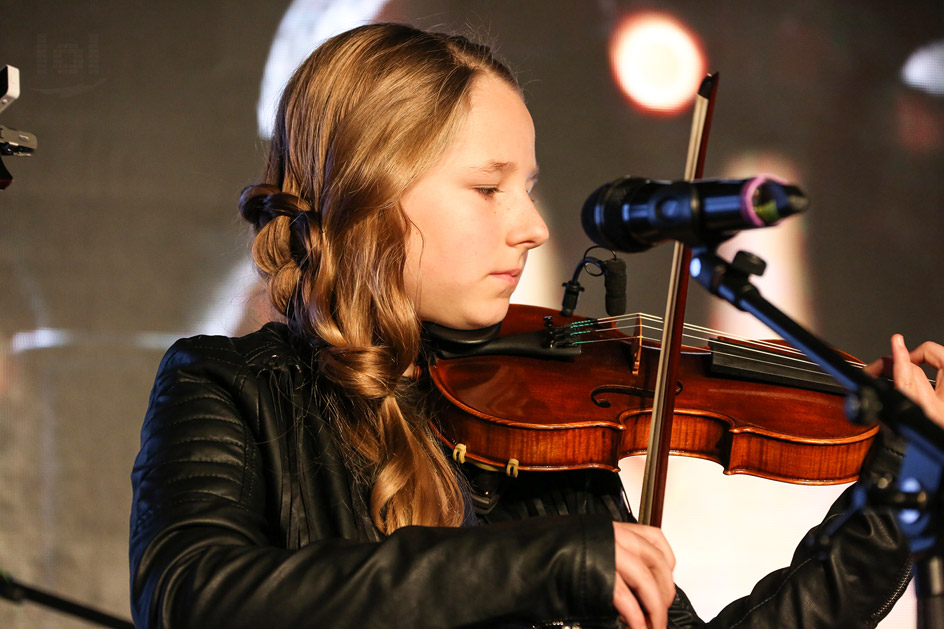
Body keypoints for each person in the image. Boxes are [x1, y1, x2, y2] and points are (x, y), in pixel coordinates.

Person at [129, 22, 944, 629]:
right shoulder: (225, 386)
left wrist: (892, 502)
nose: (532, 226)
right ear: (372, 192)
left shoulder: (541, 423)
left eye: (529, 186)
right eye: (489, 188)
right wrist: (542, 560)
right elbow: (195, 595)